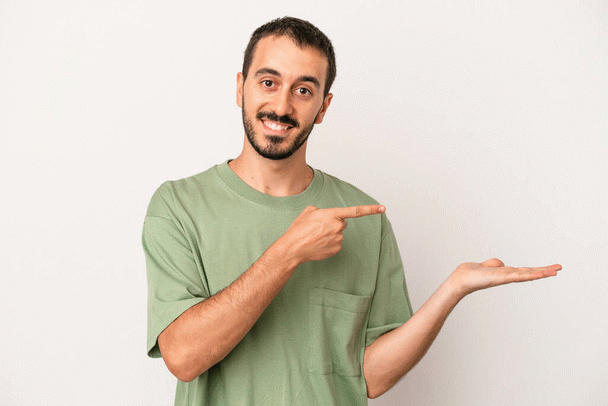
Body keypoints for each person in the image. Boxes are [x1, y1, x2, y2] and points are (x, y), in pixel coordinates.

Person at [142, 16, 561, 406]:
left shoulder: (364, 219)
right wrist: (288, 252)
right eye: (268, 82)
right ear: (240, 88)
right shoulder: (179, 206)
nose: (282, 106)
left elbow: (369, 377)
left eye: (303, 90)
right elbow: (184, 357)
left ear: (323, 107)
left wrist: (451, 290)